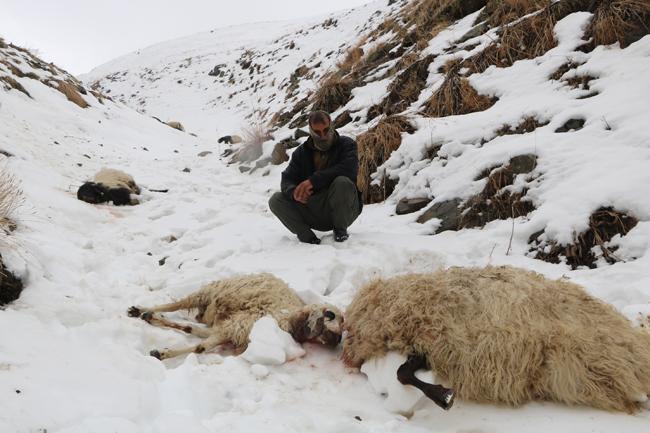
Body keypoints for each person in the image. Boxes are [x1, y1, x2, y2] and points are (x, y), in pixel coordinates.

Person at [268, 110, 362, 244]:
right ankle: (306, 236)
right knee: (275, 200)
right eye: (318, 132)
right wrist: (294, 192)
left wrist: (313, 181)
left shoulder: (347, 144)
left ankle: (340, 231)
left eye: (326, 130)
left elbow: (349, 169)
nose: (323, 136)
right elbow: (287, 179)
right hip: (312, 209)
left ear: (331, 125)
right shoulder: (301, 153)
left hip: (344, 210)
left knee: (343, 182)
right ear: (311, 131)